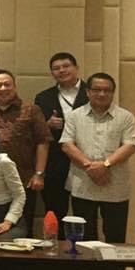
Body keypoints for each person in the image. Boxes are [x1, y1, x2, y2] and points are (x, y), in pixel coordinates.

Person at [61, 73, 135, 270]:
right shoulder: (75, 115)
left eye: (107, 90)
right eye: (97, 89)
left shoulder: (125, 116)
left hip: (115, 187)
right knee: (85, 236)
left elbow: (132, 145)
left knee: (115, 236)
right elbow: (66, 144)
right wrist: (91, 167)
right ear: (88, 92)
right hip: (83, 185)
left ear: (112, 93)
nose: (102, 94)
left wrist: (105, 165)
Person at [0, 69, 50, 235]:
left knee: (24, 227)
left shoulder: (31, 110)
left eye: (7, 84)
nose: (3, 88)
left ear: (15, 86)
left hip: (24, 179)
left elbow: (43, 142)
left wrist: (39, 174)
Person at [34, 52, 88, 231]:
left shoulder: (92, 92)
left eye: (66, 66)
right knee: (55, 210)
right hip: (55, 160)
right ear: (52, 73)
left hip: (86, 158)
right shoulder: (43, 97)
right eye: (56, 68)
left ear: (76, 68)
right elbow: (37, 131)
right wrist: (47, 125)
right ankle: (57, 245)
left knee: (85, 212)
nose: (62, 70)